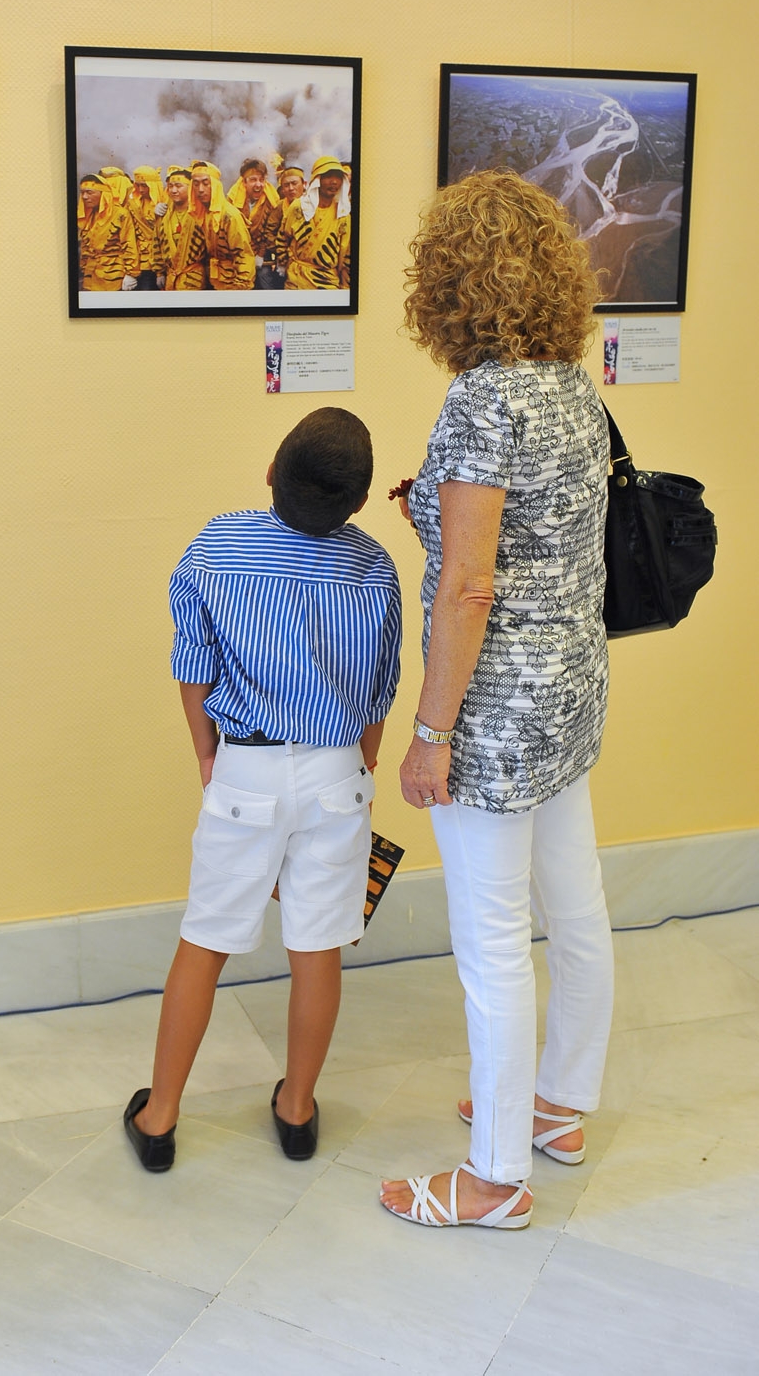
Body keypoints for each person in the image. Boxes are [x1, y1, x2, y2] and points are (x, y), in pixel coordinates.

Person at [379, 169, 613, 1232]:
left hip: (493, 713)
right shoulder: (572, 386)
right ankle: (557, 1106)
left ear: (447, 284)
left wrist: (430, 734)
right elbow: (532, 541)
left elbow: (470, 589)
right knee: (575, 909)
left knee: (491, 944)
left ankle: (491, 1178)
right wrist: (434, 514)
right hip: (570, 692)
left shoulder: (481, 401)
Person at [125, 408, 402, 1172]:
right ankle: (297, 1109)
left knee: (205, 941)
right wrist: (359, 767)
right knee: (317, 947)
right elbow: (379, 690)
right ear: (360, 500)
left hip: (245, 767)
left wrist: (206, 755)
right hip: (339, 771)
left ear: (273, 471)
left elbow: (193, 663)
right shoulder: (373, 564)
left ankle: (159, 1116)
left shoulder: (217, 545)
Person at [280, 156, 352, 290]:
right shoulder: (298, 207)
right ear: (317, 180)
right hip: (296, 280)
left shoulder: (343, 215)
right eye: (328, 177)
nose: (334, 182)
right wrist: (286, 265)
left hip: (327, 282)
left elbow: (346, 257)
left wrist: (345, 288)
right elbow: (283, 238)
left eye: (337, 177)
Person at [191, 161, 256, 290]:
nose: (200, 189)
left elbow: (244, 255)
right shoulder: (203, 213)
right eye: (196, 184)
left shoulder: (230, 216)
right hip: (214, 279)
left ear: (215, 186)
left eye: (206, 183)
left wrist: (240, 287)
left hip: (232, 283)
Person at [229, 157, 284, 290]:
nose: (258, 185)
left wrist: (260, 255)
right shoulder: (233, 199)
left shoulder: (271, 201)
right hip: (238, 253)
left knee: (265, 278)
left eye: (261, 180)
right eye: (253, 180)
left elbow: (269, 230)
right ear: (244, 181)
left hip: (262, 252)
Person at [77, 174, 139, 291]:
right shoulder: (88, 215)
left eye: (89, 192)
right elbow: (85, 246)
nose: (84, 197)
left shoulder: (120, 214)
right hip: (90, 275)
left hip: (113, 275)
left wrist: (131, 273)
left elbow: (129, 244)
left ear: (103, 194)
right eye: (82, 192)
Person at [158, 167, 207, 291]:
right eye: (170, 186)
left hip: (193, 278)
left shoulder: (200, 214)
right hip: (170, 278)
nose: (174, 190)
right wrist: (159, 273)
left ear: (190, 188)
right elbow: (156, 243)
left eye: (179, 186)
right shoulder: (164, 215)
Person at [127, 166, 166, 290]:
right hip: (142, 259)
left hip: (163, 258)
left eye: (144, 185)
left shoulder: (166, 201)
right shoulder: (133, 203)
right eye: (137, 185)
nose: (141, 189)